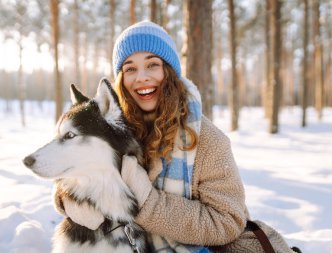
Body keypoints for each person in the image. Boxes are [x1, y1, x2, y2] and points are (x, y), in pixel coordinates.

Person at [62, 21, 249, 252]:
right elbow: (72, 166)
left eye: (152, 65)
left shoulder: (208, 140)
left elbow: (227, 221)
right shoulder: (109, 128)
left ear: (168, 72)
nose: (141, 77)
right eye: (130, 69)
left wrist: (149, 204)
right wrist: (67, 199)